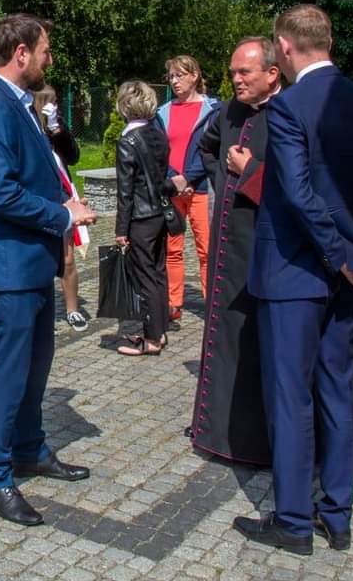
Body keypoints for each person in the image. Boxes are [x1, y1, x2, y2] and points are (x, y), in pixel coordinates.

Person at [235, 4, 353, 555]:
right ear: (329, 40)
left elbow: (296, 191)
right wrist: (346, 248)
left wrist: (332, 251)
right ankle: (337, 515)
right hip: (349, 269)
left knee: (291, 396)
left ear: (285, 47)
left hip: (294, 269)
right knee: (337, 388)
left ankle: (294, 522)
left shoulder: (289, 105)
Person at [0, 14, 96, 526]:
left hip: (31, 262)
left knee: (36, 366)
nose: (49, 59)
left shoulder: (20, 104)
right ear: (21, 53)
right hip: (7, 267)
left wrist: (62, 205)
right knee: (8, 373)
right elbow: (0, 193)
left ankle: (29, 449)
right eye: (45, 50)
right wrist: (61, 215)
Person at [188, 37, 281, 466]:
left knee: (261, 346)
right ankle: (218, 434)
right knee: (223, 339)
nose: (236, 80)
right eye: (232, 73)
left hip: (268, 246)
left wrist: (250, 173)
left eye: (244, 72)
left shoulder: (289, 114)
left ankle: (258, 441)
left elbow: (299, 188)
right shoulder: (227, 112)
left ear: (272, 74)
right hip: (228, 247)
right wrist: (222, 179)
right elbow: (205, 147)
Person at [155, 55, 220, 323]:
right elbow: (158, 150)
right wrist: (175, 180)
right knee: (173, 250)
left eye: (180, 75)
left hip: (201, 189)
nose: (174, 81)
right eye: (171, 76)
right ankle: (174, 303)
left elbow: (212, 149)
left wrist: (189, 178)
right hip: (172, 191)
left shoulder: (213, 110)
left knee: (207, 250)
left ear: (194, 76)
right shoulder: (162, 112)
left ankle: (213, 304)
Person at [113, 81, 174, 356]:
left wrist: (121, 229)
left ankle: (151, 339)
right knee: (158, 272)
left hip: (140, 216)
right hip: (160, 212)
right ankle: (160, 330)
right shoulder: (158, 134)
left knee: (145, 276)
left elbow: (125, 191)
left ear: (124, 106)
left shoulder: (127, 141)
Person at [33, 85, 88, 332]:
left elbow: (73, 156)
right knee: (40, 256)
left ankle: (72, 309)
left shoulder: (57, 126)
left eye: (56, 102)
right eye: (51, 102)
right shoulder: (29, 126)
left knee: (67, 259)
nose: (55, 106)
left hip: (62, 196)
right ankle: (39, 312)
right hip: (39, 199)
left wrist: (57, 130)